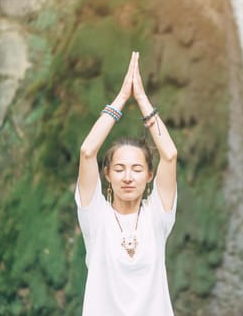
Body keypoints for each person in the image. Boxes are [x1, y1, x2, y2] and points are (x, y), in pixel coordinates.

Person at [75, 51, 178, 315]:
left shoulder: (158, 216)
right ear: (107, 174)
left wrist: (142, 99)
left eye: (136, 169)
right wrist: (121, 99)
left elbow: (170, 154)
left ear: (149, 175)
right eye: (119, 169)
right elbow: (87, 151)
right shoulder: (95, 217)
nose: (128, 177)